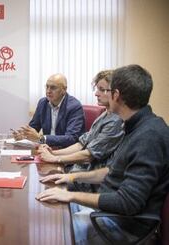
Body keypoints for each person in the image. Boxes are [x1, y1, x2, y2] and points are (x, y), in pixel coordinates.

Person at [36, 64, 169, 244]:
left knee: (57, 230)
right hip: (110, 210)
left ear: (115, 95)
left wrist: (72, 195)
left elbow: (127, 202)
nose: (97, 94)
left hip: (124, 224)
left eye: (103, 90)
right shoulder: (134, 126)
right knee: (51, 208)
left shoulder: (149, 136)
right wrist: (71, 178)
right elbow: (110, 171)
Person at [37, 70, 124, 178]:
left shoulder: (116, 121)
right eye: (97, 89)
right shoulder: (104, 114)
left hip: (91, 178)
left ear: (116, 93)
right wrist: (54, 153)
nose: (96, 93)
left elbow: (89, 155)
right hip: (78, 169)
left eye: (102, 90)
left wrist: (55, 158)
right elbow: (81, 144)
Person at [14, 73, 85, 148]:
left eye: (53, 88)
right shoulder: (43, 103)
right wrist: (24, 134)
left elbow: (71, 138)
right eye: (47, 87)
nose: (48, 91)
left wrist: (41, 138)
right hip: (46, 148)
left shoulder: (74, 106)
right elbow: (34, 127)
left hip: (66, 151)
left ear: (64, 89)